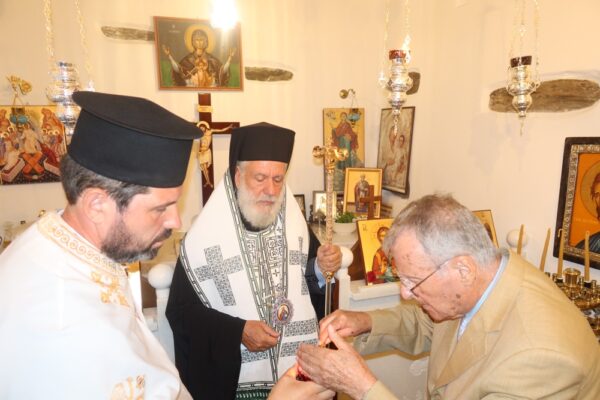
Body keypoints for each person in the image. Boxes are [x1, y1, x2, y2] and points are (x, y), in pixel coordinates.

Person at [0, 91, 203, 398]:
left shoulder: (65, 245)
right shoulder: (59, 320)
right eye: (160, 208)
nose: (175, 221)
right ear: (96, 205)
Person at [297, 194, 600, 399]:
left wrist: (362, 386)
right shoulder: (485, 277)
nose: (405, 292)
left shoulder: (540, 357)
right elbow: (433, 325)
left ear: (463, 270)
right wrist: (364, 321)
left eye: (414, 281)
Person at [166, 122, 342, 400]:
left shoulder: (295, 226)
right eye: (260, 178)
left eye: (278, 179)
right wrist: (238, 331)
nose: (270, 190)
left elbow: (308, 284)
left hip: (297, 379)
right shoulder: (203, 239)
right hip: (236, 388)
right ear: (238, 176)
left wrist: (320, 269)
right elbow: (182, 313)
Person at [162, 28, 235, 88]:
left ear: (206, 41)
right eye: (197, 40)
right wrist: (169, 56)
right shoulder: (187, 60)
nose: (199, 42)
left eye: (202, 40)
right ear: (193, 42)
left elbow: (222, 72)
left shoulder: (213, 60)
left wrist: (230, 58)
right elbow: (178, 70)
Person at [196, 120, 234, 188]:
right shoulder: (200, 135)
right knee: (204, 169)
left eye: (202, 128)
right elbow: (199, 144)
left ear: (205, 127)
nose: (202, 129)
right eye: (200, 129)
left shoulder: (210, 131)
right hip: (201, 152)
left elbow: (221, 130)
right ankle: (208, 182)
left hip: (207, 152)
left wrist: (228, 127)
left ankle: (208, 182)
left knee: (206, 169)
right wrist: (199, 151)